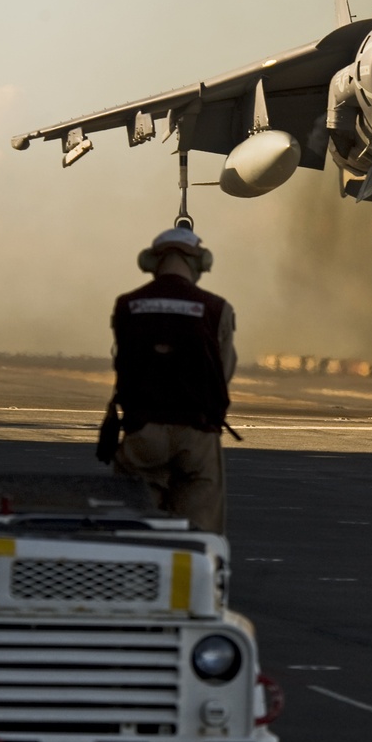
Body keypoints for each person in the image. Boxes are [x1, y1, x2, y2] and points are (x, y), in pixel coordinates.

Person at [110, 227, 236, 534]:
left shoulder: (128, 305)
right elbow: (224, 370)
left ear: (152, 262)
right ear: (200, 262)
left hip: (143, 433)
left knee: (132, 530)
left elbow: (122, 362)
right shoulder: (217, 309)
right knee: (198, 534)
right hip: (197, 435)